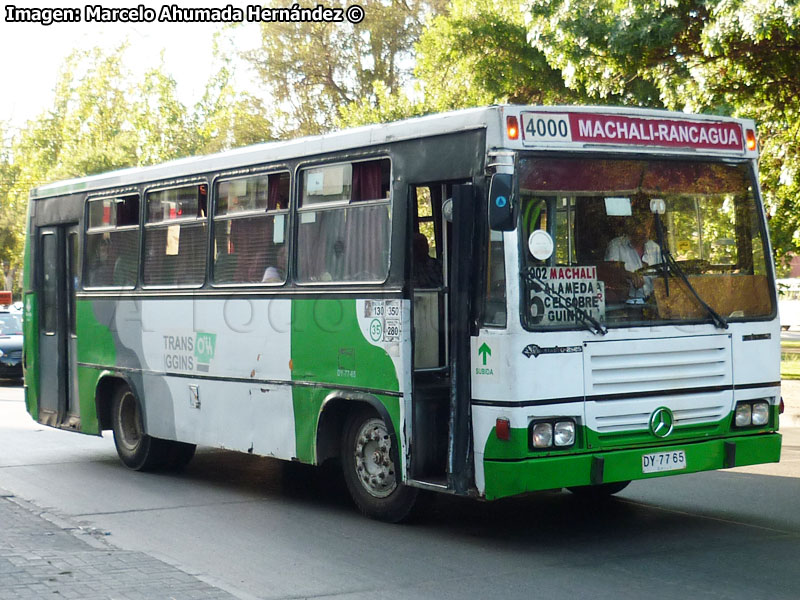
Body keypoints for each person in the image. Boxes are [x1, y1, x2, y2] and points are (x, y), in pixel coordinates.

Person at [605, 206, 661, 299]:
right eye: (643, 228)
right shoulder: (616, 246)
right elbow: (609, 273)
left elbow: (663, 277)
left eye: (649, 227)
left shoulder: (654, 248)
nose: (647, 232)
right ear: (633, 227)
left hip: (652, 305)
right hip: (626, 306)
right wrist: (629, 275)